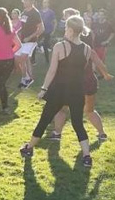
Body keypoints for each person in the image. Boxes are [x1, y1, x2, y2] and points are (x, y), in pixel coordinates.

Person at [20, 15, 93, 167]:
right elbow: (83, 69)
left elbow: (52, 71)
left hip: (59, 91)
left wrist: (43, 89)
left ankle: (29, 148)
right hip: (77, 91)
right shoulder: (87, 49)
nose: (65, 31)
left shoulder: (60, 46)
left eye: (66, 28)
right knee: (78, 123)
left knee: (44, 120)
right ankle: (87, 156)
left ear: (71, 30)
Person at [51, 8, 113, 142]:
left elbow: (56, 66)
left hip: (71, 82)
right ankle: (101, 134)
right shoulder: (88, 43)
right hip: (88, 79)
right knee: (90, 110)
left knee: (61, 109)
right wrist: (105, 74)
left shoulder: (65, 45)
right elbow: (96, 58)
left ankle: (57, 134)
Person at [15, 0, 44, 89]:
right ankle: (27, 78)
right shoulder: (24, 12)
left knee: (22, 58)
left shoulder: (35, 13)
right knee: (18, 59)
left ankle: (26, 78)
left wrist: (30, 37)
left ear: (32, 1)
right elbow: (23, 27)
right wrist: (16, 32)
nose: (24, 2)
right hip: (22, 40)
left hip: (31, 41)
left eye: (27, 0)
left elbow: (41, 29)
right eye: (24, 0)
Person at [32, 0, 56, 64]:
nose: (44, 4)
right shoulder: (39, 12)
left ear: (48, 4)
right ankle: (33, 60)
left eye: (46, 2)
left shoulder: (51, 12)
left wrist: (53, 31)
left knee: (45, 46)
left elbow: (55, 22)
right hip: (40, 31)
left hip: (48, 31)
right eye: (43, 2)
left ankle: (47, 61)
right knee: (34, 44)